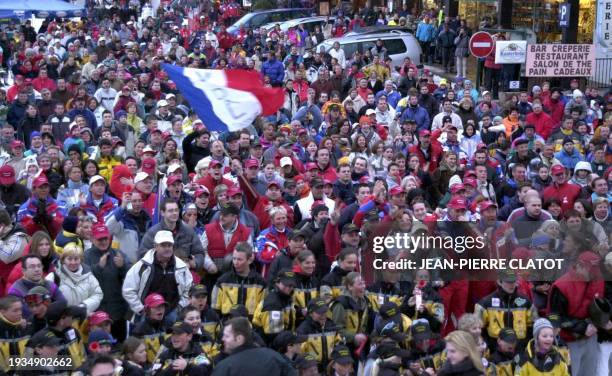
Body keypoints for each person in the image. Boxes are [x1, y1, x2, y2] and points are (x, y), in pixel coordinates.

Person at [122, 230, 193, 326]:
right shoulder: (142, 266)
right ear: (155, 246)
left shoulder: (181, 267)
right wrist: (140, 309)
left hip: (172, 314)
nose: (167, 248)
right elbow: (128, 290)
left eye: (169, 245)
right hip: (146, 315)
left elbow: (189, 290)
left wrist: (179, 307)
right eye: (163, 245)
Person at [84, 223, 131, 342]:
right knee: (100, 348)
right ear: (92, 239)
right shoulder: (86, 256)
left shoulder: (117, 253)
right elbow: (83, 280)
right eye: (99, 239)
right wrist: (98, 267)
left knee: (119, 346)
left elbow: (131, 277)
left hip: (118, 312)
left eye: (105, 238)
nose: (103, 241)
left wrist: (122, 267)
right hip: (98, 314)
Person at [213, 317, 296, 376]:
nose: (223, 339)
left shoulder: (225, 367)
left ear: (239, 339)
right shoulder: (274, 357)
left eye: (227, 336)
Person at [211, 242, 266, 319]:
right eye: (234, 258)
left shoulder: (261, 283)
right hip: (227, 327)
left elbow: (263, 311)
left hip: (251, 328)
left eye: (239, 259)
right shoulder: (222, 281)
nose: (235, 262)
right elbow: (214, 310)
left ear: (249, 260)